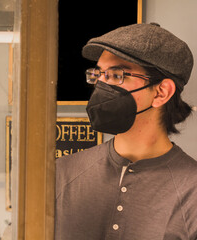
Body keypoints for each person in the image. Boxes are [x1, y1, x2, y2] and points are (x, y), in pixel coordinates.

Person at [55, 23, 197, 239]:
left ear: (162, 92)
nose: (101, 85)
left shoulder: (192, 190)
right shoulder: (61, 173)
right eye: (98, 74)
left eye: (117, 74)